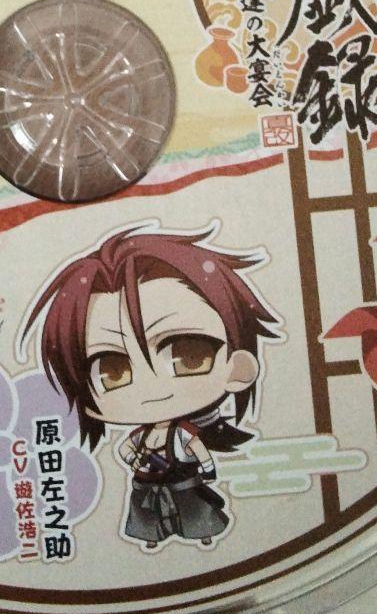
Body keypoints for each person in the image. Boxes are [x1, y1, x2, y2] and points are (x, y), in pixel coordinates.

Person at [22, 226, 280, 550]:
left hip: (184, 484)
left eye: (188, 355)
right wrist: (135, 460)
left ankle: (203, 533)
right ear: (87, 399)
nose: (153, 385)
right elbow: (125, 451)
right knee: (147, 516)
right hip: (148, 484)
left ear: (238, 368)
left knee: (195, 512)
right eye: (113, 370)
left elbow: (198, 450)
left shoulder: (184, 433)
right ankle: (152, 539)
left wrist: (207, 468)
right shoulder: (139, 437)